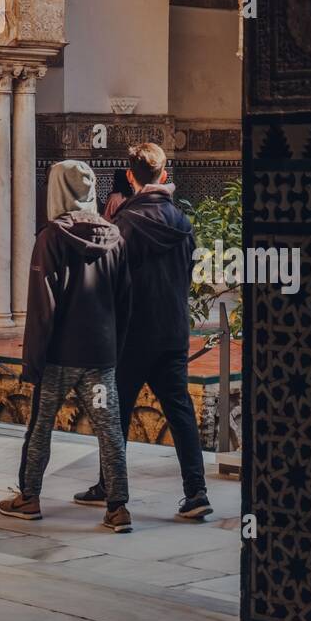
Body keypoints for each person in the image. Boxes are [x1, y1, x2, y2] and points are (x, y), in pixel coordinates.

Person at [74, 143, 213, 519]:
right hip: (172, 331)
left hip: (132, 334)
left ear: (132, 177)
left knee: (115, 413)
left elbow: (106, 282)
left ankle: (112, 490)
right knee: (180, 410)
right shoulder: (183, 224)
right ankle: (196, 493)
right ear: (164, 175)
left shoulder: (123, 225)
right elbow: (188, 277)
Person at [0, 160, 133, 533]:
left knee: (41, 426)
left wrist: (34, 361)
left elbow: (43, 306)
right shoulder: (115, 237)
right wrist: (113, 350)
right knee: (110, 430)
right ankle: (118, 507)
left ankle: (29, 497)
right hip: (100, 356)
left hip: (60, 355)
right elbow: (125, 302)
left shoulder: (51, 238)